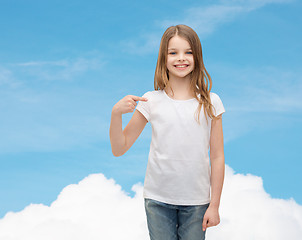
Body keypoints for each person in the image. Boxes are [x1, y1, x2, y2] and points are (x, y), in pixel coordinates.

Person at [109, 24, 226, 240]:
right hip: (158, 201)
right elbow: (119, 147)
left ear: (197, 56)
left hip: (197, 203)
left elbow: (217, 157)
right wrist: (116, 114)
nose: (181, 58)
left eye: (188, 52)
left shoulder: (211, 102)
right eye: (173, 52)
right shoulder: (150, 101)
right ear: (164, 58)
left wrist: (214, 205)